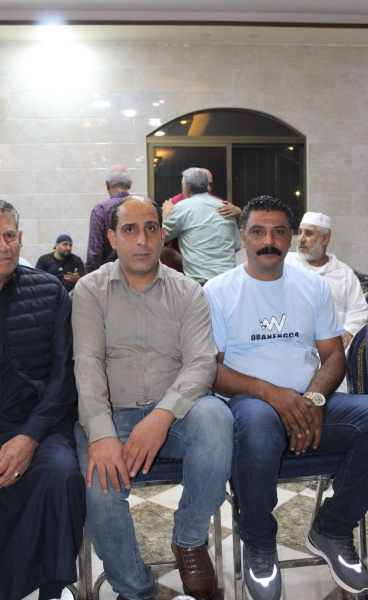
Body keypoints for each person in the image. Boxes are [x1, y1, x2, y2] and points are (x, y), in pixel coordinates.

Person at [204, 195, 368, 600]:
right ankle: (260, 545)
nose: (269, 241)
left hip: (311, 403)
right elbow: (213, 370)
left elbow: (333, 355)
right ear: (243, 237)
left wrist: (313, 399)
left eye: (279, 232)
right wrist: (272, 394)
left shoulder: (312, 286)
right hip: (250, 405)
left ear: (290, 236)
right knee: (259, 424)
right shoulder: (219, 291)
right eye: (258, 232)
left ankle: (332, 528)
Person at [72, 195, 233, 600]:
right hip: (112, 417)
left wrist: (162, 416)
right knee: (98, 488)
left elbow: (201, 364)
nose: (141, 240)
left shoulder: (188, 291)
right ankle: (134, 588)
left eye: (150, 229)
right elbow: (87, 365)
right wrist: (102, 434)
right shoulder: (89, 290)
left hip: (177, 416)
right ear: (113, 238)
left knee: (217, 420)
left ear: (163, 235)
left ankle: (190, 539)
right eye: (130, 230)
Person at [0, 198, 85, 600]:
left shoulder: (51, 292)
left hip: (38, 425)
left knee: (62, 474)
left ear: (20, 239)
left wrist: (30, 438)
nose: (2, 246)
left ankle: (52, 589)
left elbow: (65, 375)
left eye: (10, 236)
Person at [286, 211, 367, 351]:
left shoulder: (344, 273)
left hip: (335, 347)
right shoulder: (286, 262)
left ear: (324, 238)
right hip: (293, 347)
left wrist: (349, 332)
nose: (301, 239)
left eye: (308, 233)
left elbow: (358, 310)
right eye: (300, 232)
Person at [163, 168, 241, 284]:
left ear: (186, 188)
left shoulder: (181, 206)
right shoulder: (226, 207)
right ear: (206, 186)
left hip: (200, 281)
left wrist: (166, 214)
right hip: (229, 280)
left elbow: (159, 237)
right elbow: (236, 246)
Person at [85, 164, 132, 273]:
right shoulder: (144, 207)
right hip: (140, 276)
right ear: (130, 184)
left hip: (108, 277)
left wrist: (89, 278)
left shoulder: (100, 210)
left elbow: (94, 254)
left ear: (107, 184)